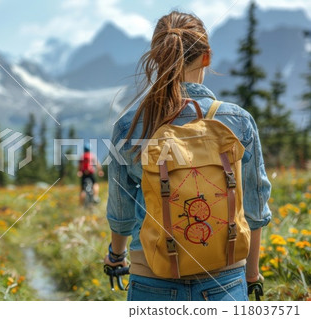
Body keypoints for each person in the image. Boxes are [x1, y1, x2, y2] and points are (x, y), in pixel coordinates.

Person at [104, 11, 271, 301]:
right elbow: (255, 211)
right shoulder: (238, 121)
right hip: (226, 276)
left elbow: (122, 213)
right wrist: (251, 275)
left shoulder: (130, 126)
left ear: (157, 58)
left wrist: (116, 256)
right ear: (206, 57)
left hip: (151, 277)